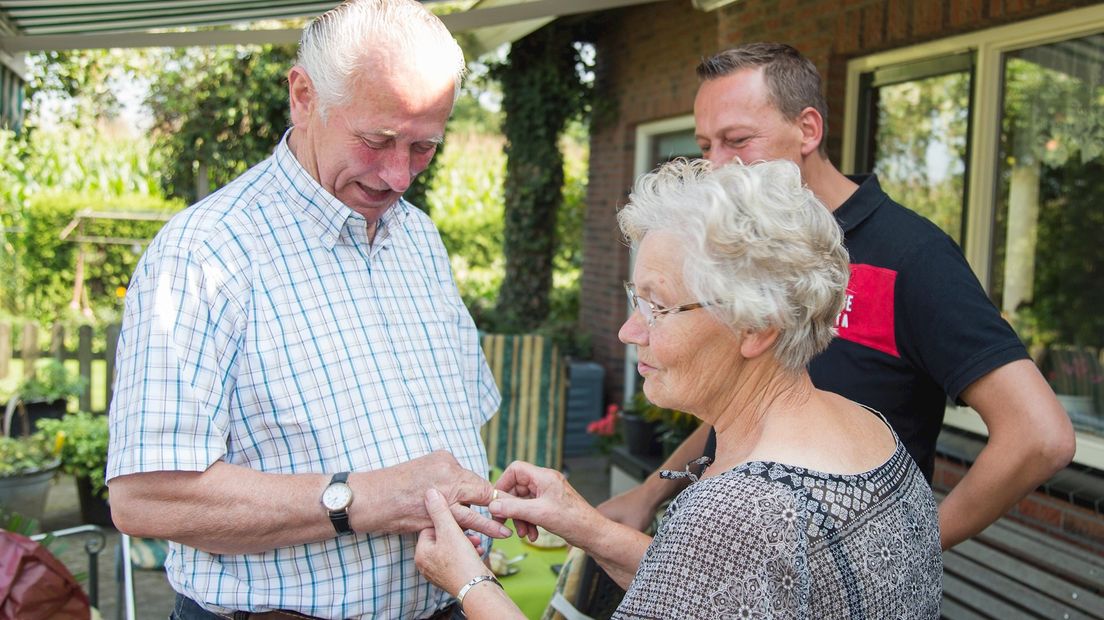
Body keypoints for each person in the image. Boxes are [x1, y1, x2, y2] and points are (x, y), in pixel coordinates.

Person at [105, 2, 512, 618]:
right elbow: (146, 500)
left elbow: (457, 427)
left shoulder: (419, 237)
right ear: (303, 95)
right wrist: (364, 499)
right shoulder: (205, 252)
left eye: (424, 148)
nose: (399, 176)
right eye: (377, 141)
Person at [415, 158, 944, 618]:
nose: (629, 330)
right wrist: (583, 524)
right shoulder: (869, 429)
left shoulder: (740, 512)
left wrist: (470, 583)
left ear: (756, 326)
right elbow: (711, 595)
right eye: (634, 297)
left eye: (657, 306)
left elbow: (724, 561)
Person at [598, 42, 1075, 551]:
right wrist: (650, 493)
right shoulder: (741, 243)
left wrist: (906, 555)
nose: (716, 165)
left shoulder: (913, 257)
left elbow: (1039, 436)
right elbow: (744, 396)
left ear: (808, 129)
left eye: (736, 140)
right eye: (705, 144)